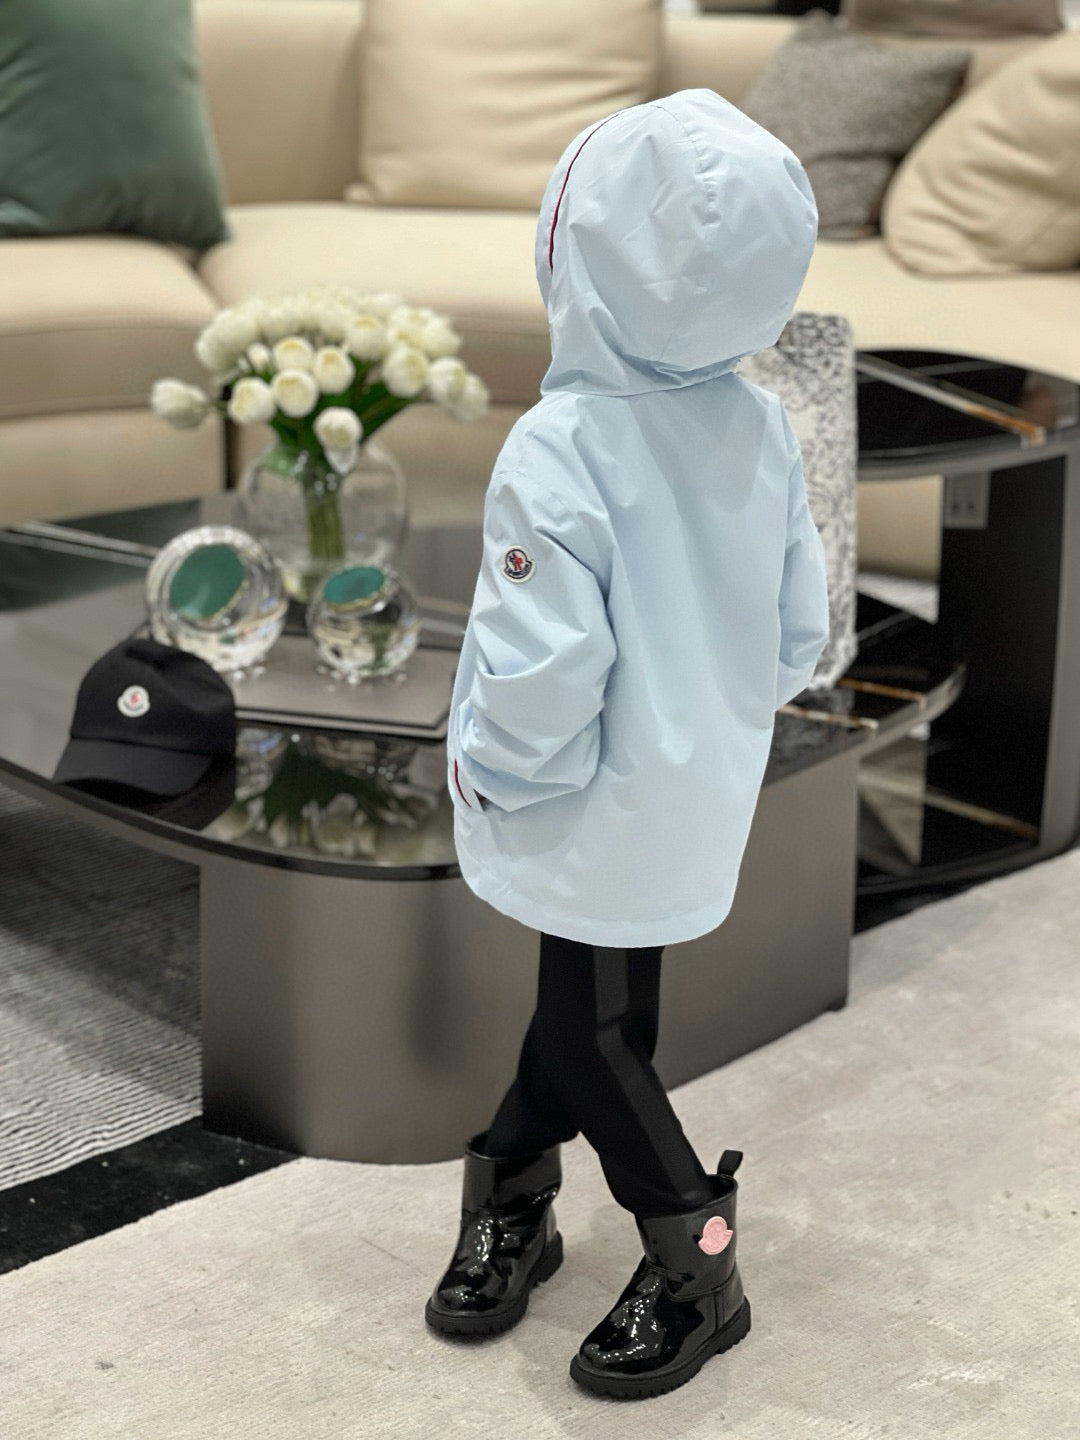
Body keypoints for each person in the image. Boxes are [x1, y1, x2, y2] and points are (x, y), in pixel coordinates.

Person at [425, 88, 831, 1401]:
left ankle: (696, 1256)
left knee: (594, 1037)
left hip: (583, 799)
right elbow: (799, 630)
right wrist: (713, 719)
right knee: (598, 1007)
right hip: (698, 789)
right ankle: (514, 1191)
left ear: (576, 251)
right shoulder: (759, 421)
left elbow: (540, 670)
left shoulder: (559, 447)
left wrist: (491, 769)